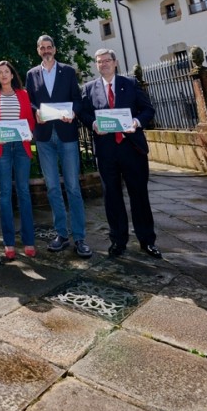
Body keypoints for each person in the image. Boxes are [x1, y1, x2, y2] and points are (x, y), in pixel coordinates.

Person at [80, 48, 161, 259]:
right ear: (96, 65)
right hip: (106, 150)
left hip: (131, 148)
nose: (103, 64)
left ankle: (147, 240)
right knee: (112, 197)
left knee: (139, 195)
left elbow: (148, 110)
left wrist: (136, 122)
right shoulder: (89, 89)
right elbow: (83, 113)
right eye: (99, 61)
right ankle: (118, 241)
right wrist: (94, 123)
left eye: (107, 60)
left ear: (115, 63)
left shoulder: (131, 84)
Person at [25, 34, 92, 258]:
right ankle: (61, 234)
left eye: (49, 46)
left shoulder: (69, 71)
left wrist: (72, 112)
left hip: (67, 134)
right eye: (42, 47)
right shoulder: (32, 74)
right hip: (44, 136)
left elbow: (78, 99)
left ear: (54, 49)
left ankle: (80, 237)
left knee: (73, 187)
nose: (46, 50)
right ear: (38, 50)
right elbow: (30, 101)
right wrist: (35, 112)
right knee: (52, 187)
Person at [0, 60, 36, 259]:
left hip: (21, 147)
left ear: (13, 75)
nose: (4, 75)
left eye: (7, 72)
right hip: (2, 147)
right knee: (4, 193)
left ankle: (29, 240)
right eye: (0, 73)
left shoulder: (23, 94)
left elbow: (30, 120)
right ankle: (9, 243)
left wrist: (29, 132)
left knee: (23, 191)